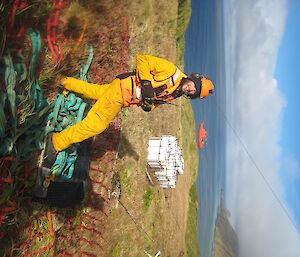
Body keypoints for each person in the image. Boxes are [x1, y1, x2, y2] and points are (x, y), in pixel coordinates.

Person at [52, 54, 214, 152]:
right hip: (122, 91)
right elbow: (142, 60)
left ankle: (62, 81)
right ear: (194, 78)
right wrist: (146, 84)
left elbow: (154, 104)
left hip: (123, 94)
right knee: (97, 125)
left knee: (94, 91)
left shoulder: (175, 93)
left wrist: (148, 107)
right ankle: (57, 143)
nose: (191, 90)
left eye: (194, 93)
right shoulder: (171, 71)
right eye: (195, 86)